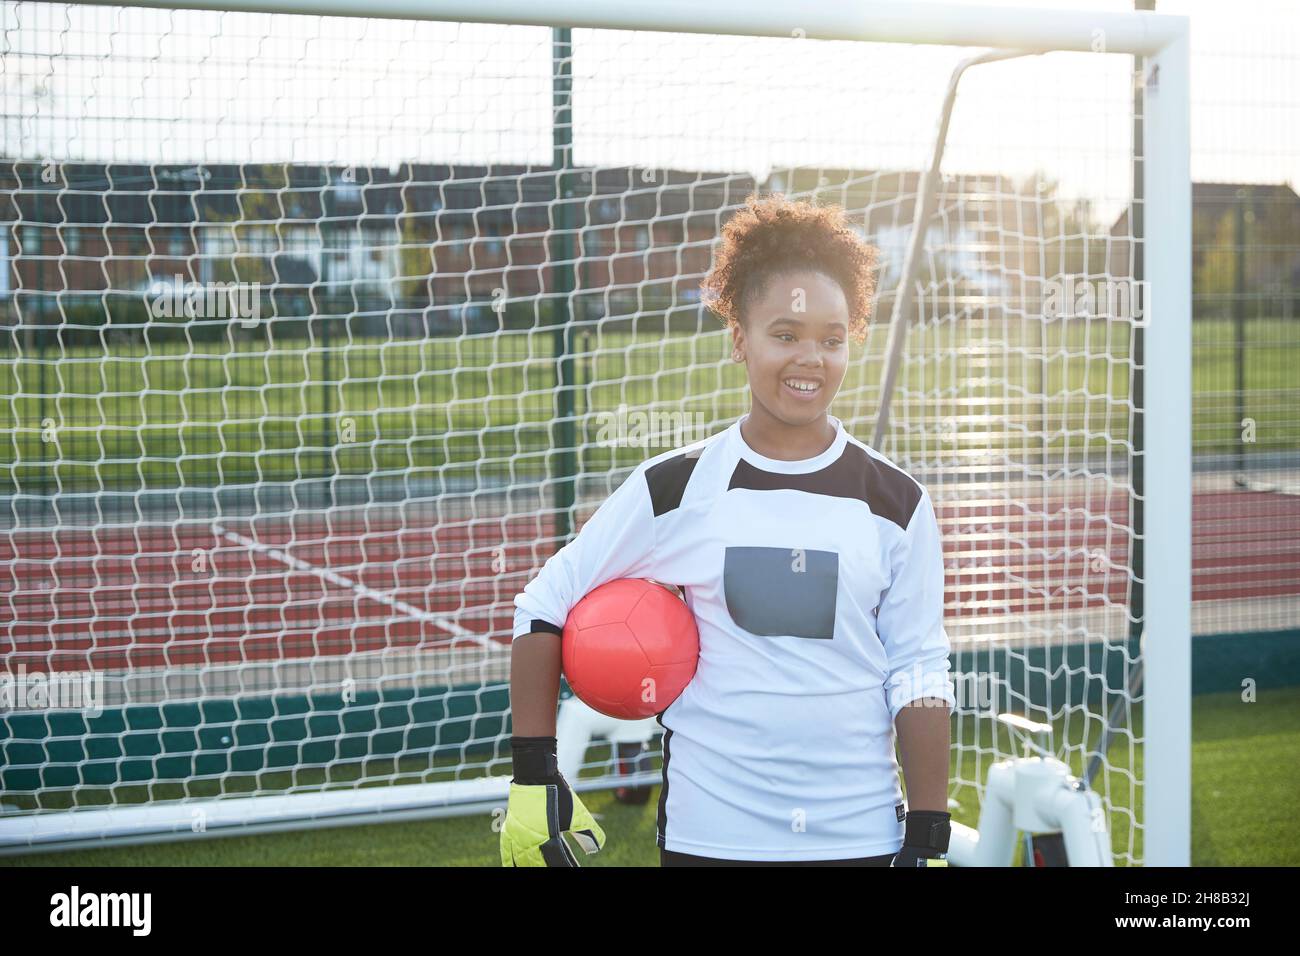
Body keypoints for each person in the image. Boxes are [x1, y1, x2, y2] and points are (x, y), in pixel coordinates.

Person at [501, 192, 954, 867]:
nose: (811, 359)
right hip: (709, 838)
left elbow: (918, 669)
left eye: (832, 339)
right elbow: (543, 609)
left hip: (862, 839)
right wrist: (535, 777)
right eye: (786, 334)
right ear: (740, 338)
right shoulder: (677, 488)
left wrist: (928, 834)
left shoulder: (896, 502)